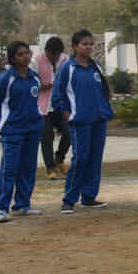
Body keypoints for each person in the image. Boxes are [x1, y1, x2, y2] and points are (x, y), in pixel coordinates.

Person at [52, 29, 115, 213]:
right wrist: (68, 115)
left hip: (99, 120)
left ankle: (89, 196)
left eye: (90, 44)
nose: (88, 47)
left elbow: (103, 91)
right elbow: (58, 94)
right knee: (81, 158)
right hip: (80, 122)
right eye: (84, 44)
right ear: (74, 46)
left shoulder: (96, 67)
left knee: (95, 159)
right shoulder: (68, 68)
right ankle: (69, 199)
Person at [0, 42, 44, 222]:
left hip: (32, 129)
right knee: (9, 168)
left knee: (28, 168)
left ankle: (22, 204)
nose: (26, 57)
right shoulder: (5, 79)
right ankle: (1, 207)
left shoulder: (35, 78)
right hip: (12, 130)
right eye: (21, 54)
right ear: (13, 58)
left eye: (27, 53)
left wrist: (38, 122)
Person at [32, 36, 70, 181]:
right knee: (46, 138)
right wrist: (50, 84)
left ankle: (59, 158)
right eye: (52, 54)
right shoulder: (36, 61)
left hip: (60, 104)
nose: (55, 57)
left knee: (68, 133)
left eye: (57, 54)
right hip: (43, 106)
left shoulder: (65, 60)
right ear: (46, 51)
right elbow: (33, 85)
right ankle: (50, 169)